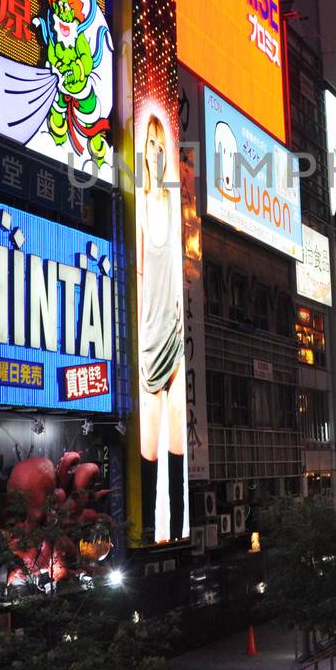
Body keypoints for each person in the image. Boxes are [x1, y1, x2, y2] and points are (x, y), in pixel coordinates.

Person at [138, 114, 187, 542]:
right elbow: (137, 273)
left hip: (174, 334)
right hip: (148, 341)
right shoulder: (140, 203)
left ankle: (176, 527)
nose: (155, 153)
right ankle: (149, 531)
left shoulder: (173, 200)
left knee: (177, 445)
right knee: (148, 448)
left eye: (160, 146)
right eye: (150, 144)